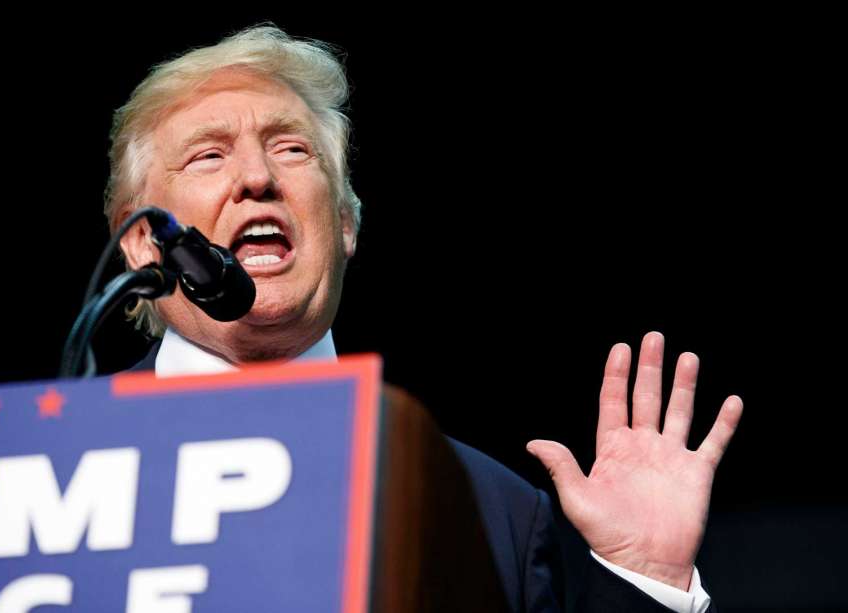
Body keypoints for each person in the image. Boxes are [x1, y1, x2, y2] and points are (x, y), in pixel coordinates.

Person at [107, 25, 742, 613]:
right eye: (208, 157)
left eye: (292, 148)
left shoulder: (494, 512)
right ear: (142, 243)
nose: (257, 176)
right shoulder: (50, 467)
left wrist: (646, 583)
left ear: (346, 224)